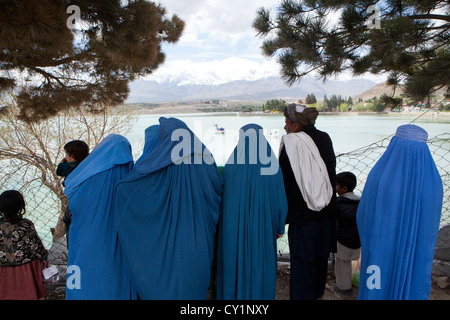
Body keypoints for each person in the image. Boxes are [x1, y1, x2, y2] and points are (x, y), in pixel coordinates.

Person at [114, 117, 223, 300]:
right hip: (200, 242)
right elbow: (217, 188)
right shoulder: (206, 160)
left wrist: (119, 188)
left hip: (170, 247)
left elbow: (137, 192)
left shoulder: (159, 165)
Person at [357, 124, 443, 300]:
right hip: (416, 252)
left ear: (394, 143)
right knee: (414, 278)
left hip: (380, 249)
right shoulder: (433, 181)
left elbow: (363, 214)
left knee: (377, 279)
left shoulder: (380, 175)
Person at [216, 124, 288, 300]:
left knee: (233, 265)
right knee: (259, 266)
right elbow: (281, 202)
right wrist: (279, 227)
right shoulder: (273, 168)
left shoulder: (231, 168)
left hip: (232, 232)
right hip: (262, 231)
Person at [64, 134, 137, 300]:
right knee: (114, 270)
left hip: (87, 235)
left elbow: (74, 201)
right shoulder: (130, 174)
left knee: (85, 270)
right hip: (119, 236)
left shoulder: (88, 173)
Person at [278, 103, 337, 300]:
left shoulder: (292, 143)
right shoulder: (325, 138)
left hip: (302, 218)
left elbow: (284, 181)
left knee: (302, 264)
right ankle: (316, 294)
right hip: (327, 213)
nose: (285, 127)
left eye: (286, 123)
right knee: (320, 261)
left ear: (296, 125)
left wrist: (280, 215)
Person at [0, 190, 49, 300]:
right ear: (20, 206)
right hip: (26, 271)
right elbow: (36, 246)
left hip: (3, 271)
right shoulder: (25, 225)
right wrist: (44, 258)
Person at [56, 140, 89, 247]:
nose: (65, 157)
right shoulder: (87, 166)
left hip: (73, 207)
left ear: (72, 156)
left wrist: (62, 162)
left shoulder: (70, 166)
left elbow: (59, 171)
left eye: (66, 154)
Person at [332, 171, 361, 296]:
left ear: (344, 188)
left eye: (337, 185)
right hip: (356, 239)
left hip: (342, 239)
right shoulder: (360, 201)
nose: (335, 188)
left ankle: (343, 287)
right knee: (347, 263)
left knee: (342, 264)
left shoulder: (338, 202)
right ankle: (345, 284)